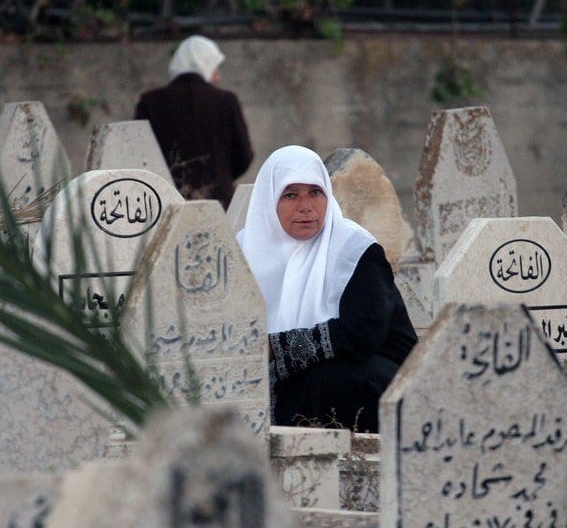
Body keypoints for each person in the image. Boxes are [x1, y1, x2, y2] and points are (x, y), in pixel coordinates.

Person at [237, 145, 417, 432]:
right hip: (288, 386)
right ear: (269, 201)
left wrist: (277, 348)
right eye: (291, 194)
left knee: (330, 378)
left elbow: (362, 333)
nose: (306, 206)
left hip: (378, 385)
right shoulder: (244, 251)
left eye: (315, 192)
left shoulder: (354, 249)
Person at [134, 35, 253, 208]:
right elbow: (244, 155)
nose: (217, 77)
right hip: (218, 204)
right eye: (215, 68)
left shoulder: (150, 102)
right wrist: (219, 175)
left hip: (165, 205)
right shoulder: (225, 101)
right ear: (205, 65)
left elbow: (139, 155)